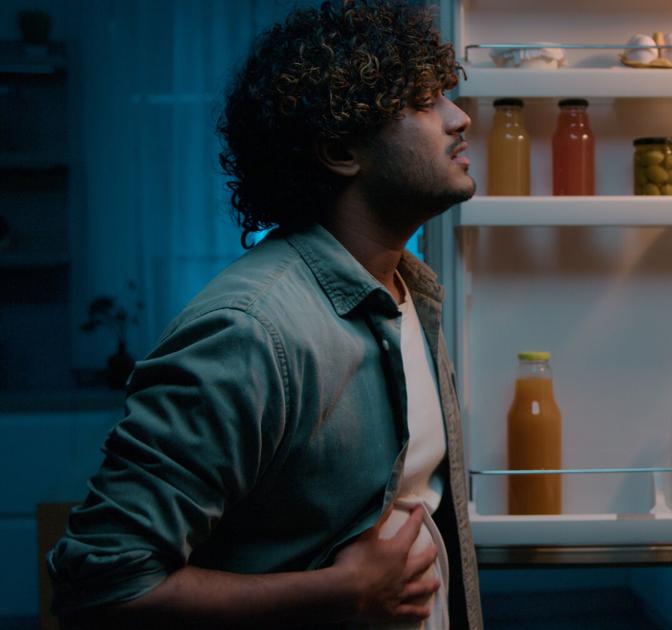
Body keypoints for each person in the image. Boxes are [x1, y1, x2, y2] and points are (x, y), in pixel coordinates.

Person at [46, 1, 481, 627]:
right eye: (422, 101)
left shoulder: (410, 290)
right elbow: (102, 587)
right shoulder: (250, 330)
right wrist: (337, 593)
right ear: (341, 149)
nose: (459, 117)